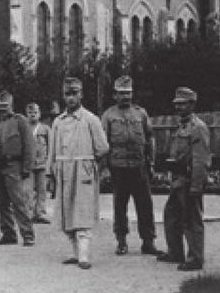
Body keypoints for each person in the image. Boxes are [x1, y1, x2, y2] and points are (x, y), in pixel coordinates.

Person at [47, 77, 109, 269]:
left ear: (81, 94)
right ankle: (74, 253)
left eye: (74, 93)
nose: (71, 98)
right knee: (66, 213)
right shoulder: (58, 122)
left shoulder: (91, 119)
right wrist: (50, 174)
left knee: (82, 211)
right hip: (63, 170)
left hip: (83, 170)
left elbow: (103, 147)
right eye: (67, 94)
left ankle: (83, 256)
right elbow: (53, 150)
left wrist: (89, 164)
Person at [101, 75, 158, 256]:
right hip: (118, 167)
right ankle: (121, 241)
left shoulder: (141, 113)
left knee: (145, 205)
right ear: (114, 95)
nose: (125, 97)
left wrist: (152, 162)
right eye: (121, 93)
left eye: (128, 93)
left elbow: (150, 138)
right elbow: (103, 143)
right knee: (119, 205)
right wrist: (104, 168)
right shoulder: (109, 115)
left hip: (139, 165)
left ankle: (148, 242)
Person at [158, 87, 210, 271]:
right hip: (178, 178)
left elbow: (200, 160)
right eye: (176, 104)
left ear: (192, 104)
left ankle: (195, 258)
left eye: (183, 104)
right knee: (171, 215)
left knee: (191, 219)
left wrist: (196, 186)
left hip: (189, 179)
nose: (179, 107)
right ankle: (175, 252)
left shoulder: (198, 128)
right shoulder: (182, 125)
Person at [0, 91, 36, 247]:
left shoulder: (20, 121)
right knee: (1, 202)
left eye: (5, 107)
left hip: (15, 166)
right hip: (0, 166)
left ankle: (28, 235)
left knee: (18, 201)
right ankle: (8, 233)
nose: (2, 110)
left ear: (11, 106)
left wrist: (27, 168)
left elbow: (29, 145)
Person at [24, 102, 51, 225]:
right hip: (28, 164)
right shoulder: (24, 128)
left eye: (35, 112)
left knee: (42, 190)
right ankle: (28, 213)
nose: (32, 115)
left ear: (39, 114)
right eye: (30, 113)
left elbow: (51, 146)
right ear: (26, 114)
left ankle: (40, 213)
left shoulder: (45, 129)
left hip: (42, 164)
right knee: (27, 190)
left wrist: (50, 162)